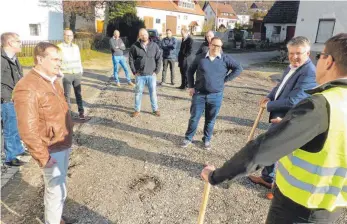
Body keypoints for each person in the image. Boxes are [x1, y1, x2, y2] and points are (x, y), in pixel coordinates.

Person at [201, 33, 347, 224]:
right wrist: (296, 130)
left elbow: (260, 151)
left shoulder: (320, 105)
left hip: (298, 209)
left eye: (321, 56)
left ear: (329, 61)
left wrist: (215, 176)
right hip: (331, 209)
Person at [13, 42, 75, 224]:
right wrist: (43, 157)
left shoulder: (53, 81)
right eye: (55, 59)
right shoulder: (27, 87)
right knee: (55, 190)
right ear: (40, 59)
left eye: (60, 60)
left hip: (62, 142)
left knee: (60, 187)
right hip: (50, 149)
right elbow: (27, 130)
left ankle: (56, 217)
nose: (59, 63)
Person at [248, 36, 317, 192]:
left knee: (279, 150)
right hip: (279, 115)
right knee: (272, 147)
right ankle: (268, 179)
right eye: (291, 53)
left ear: (308, 53)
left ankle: (278, 186)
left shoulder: (309, 72)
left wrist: (269, 105)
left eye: (298, 53)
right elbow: (280, 86)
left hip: (288, 119)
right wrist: (269, 97)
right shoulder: (292, 67)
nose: (294, 57)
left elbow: (294, 100)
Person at [181, 37, 243, 150]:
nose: (216, 48)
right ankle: (188, 138)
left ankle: (207, 139)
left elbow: (238, 68)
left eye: (219, 46)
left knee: (210, 119)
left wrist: (225, 80)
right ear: (210, 44)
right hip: (199, 94)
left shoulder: (225, 59)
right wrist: (190, 86)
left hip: (216, 96)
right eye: (214, 45)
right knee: (194, 118)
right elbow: (190, 71)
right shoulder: (200, 57)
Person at [1, 32, 26, 166]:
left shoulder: (13, 58)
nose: (20, 43)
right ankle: (10, 157)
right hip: (6, 100)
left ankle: (18, 150)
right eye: (18, 41)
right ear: (10, 43)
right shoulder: (1, 59)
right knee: (9, 128)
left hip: (15, 98)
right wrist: (5, 96)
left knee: (16, 126)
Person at [129, 28, 162, 118]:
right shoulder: (135, 46)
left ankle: (155, 109)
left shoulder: (154, 45)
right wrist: (134, 71)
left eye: (145, 34)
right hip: (140, 75)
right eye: (142, 35)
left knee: (153, 93)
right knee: (138, 93)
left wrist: (156, 71)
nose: (144, 36)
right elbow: (131, 59)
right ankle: (137, 110)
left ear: (148, 34)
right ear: (139, 36)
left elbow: (159, 59)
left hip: (151, 75)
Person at [58, 29, 89, 121]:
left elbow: (79, 59)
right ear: (63, 36)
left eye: (70, 35)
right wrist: (60, 73)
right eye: (67, 35)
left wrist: (81, 70)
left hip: (77, 73)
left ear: (73, 36)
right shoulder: (59, 47)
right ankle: (68, 115)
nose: (69, 37)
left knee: (78, 94)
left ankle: (81, 113)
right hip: (66, 75)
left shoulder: (76, 47)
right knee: (67, 95)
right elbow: (57, 60)